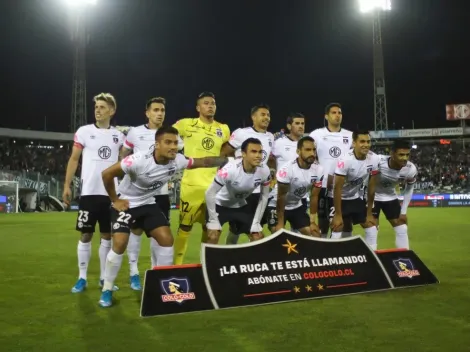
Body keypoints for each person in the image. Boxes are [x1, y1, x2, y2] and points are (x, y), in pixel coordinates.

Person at [98, 126, 229, 307]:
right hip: (126, 204)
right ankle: (107, 289)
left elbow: (204, 161)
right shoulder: (137, 160)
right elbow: (106, 174)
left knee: (167, 240)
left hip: (148, 204)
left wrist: (227, 159)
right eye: (168, 142)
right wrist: (115, 200)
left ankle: (164, 285)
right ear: (157, 144)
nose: (174, 147)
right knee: (119, 243)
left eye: (175, 143)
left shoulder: (178, 161)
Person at [119, 97, 183, 291]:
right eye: (155, 110)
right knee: (136, 232)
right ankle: (134, 272)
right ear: (147, 112)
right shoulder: (135, 132)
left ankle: (158, 272)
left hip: (161, 193)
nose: (160, 113)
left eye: (162, 110)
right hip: (138, 194)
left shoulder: (171, 134)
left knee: (160, 235)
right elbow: (123, 155)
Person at [63, 93, 124, 293]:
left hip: (110, 194)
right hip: (89, 193)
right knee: (86, 234)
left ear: (112, 111)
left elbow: (126, 162)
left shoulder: (119, 136)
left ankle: (103, 278)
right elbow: (74, 159)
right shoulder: (84, 132)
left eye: (102, 107)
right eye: (96, 107)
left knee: (107, 236)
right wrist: (67, 185)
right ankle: (81, 278)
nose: (98, 110)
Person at [172, 92, 231, 264]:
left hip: (214, 187)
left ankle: (205, 266)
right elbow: (166, 136)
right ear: (198, 107)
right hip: (191, 186)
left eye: (213, 103)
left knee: (211, 229)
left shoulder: (224, 129)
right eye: (206, 103)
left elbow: (226, 152)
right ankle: (177, 266)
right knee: (184, 227)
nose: (210, 106)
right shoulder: (185, 124)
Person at [220, 104, 275, 244]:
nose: (266, 118)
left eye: (268, 115)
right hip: (242, 190)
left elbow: (268, 159)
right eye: (263, 114)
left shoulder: (270, 137)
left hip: (259, 190)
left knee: (256, 231)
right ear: (253, 117)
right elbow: (225, 151)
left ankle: (252, 262)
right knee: (236, 229)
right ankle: (229, 253)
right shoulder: (241, 133)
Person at [205, 138, 271, 244]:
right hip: (220, 206)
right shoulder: (229, 170)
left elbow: (264, 196)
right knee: (212, 236)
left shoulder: (264, 170)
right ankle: (209, 260)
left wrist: (256, 222)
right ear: (243, 154)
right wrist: (213, 220)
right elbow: (209, 193)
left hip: (240, 205)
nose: (258, 155)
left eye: (260, 152)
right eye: (253, 152)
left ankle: (242, 258)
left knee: (258, 236)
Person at [329, 130, 380, 249]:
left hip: (354, 197)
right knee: (338, 227)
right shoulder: (345, 160)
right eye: (362, 141)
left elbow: (372, 188)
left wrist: (369, 213)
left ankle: (373, 258)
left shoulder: (374, 159)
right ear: (354, 143)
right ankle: (332, 257)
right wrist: (337, 214)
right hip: (337, 198)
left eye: (368, 141)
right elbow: (337, 189)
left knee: (371, 227)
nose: (366, 144)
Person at [310, 103, 353, 238]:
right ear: (326, 116)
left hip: (344, 187)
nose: (337, 115)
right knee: (323, 223)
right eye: (333, 113)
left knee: (346, 222)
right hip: (323, 186)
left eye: (339, 113)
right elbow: (308, 155)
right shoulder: (317, 134)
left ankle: (344, 250)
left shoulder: (350, 136)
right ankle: (324, 251)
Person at [268, 136, 323, 236]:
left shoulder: (319, 170)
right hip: (276, 205)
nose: (312, 153)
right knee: (278, 234)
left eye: (314, 150)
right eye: (307, 150)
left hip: (296, 206)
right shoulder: (287, 170)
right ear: (298, 151)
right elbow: (281, 197)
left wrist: (312, 222)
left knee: (314, 234)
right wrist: (280, 223)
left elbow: (314, 196)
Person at [373, 140, 417, 249]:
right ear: (392, 154)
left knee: (402, 228)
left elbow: (409, 189)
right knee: (372, 230)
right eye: (401, 154)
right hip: (372, 197)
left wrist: (404, 212)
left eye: (407, 155)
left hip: (390, 197)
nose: (405, 158)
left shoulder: (410, 169)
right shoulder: (377, 161)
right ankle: (371, 260)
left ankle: (405, 259)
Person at [266, 113, 307, 231]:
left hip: (300, 195)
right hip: (279, 193)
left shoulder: (307, 144)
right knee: (276, 230)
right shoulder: (279, 142)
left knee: (300, 231)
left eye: (303, 124)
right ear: (289, 126)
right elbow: (270, 159)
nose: (301, 126)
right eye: (297, 123)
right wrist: (272, 175)